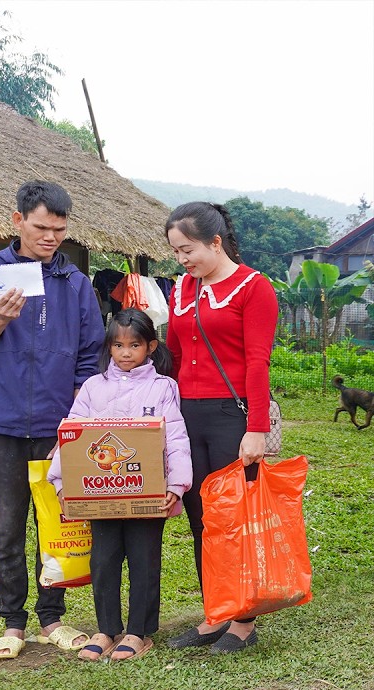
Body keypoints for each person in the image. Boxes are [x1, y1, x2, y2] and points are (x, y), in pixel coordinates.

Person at [0, 180, 104, 660]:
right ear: (17, 222)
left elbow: (90, 355)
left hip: (60, 425)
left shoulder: (76, 284)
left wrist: (77, 416)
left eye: (59, 230)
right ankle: (13, 623)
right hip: (3, 421)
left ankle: (52, 617)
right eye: (41, 228)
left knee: (55, 522)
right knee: (8, 524)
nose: (51, 237)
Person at [163, 201, 278, 654]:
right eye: (175, 252)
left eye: (188, 249)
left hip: (233, 416)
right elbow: (171, 354)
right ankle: (216, 612)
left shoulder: (253, 288)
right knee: (200, 518)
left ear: (215, 242)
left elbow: (257, 362)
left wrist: (257, 427)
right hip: (186, 416)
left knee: (235, 518)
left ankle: (244, 621)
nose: (182, 260)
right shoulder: (181, 290)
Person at [46, 308, 192, 661]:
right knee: (103, 559)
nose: (125, 353)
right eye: (118, 345)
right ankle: (107, 628)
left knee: (144, 560)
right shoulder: (94, 388)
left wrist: (177, 483)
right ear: (109, 348)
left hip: (148, 495)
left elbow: (175, 436)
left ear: (151, 347)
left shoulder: (162, 388)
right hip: (101, 496)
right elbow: (73, 435)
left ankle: (139, 632)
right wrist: (61, 481)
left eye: (134, 345)